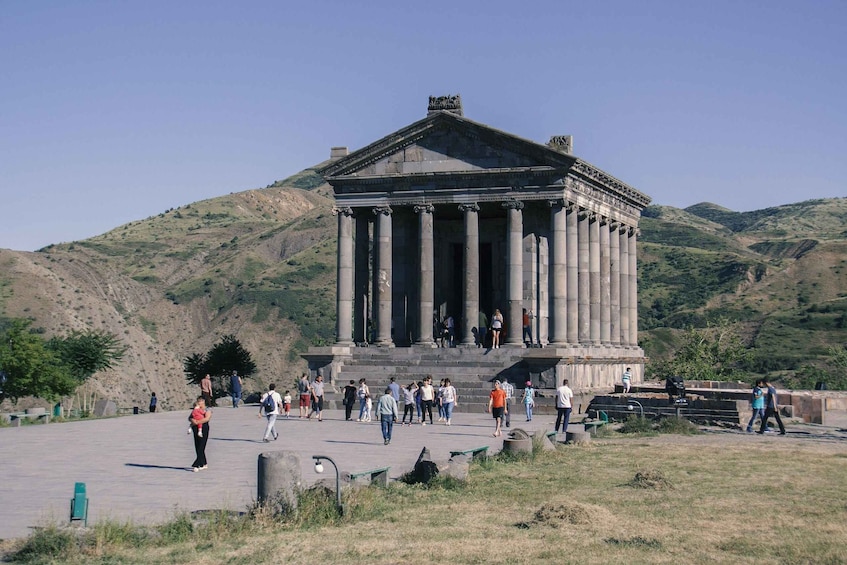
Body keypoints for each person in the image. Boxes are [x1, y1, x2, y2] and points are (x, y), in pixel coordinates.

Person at [189, 396, 211, 472]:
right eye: (198, 401)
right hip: (195, 428)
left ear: (203, 401)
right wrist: (192, 420)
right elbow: (190, 417)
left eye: (200, 401)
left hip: (203, 428)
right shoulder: (196, 409)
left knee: (201, 446)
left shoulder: (207, 409)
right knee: (197, 446)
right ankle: (204, 464)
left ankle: (197, 464)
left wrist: (198, 422)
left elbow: (207, 418)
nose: (199, 402)